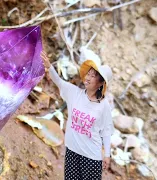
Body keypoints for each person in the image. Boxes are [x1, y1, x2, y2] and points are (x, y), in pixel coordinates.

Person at [41, 51, 114, 180]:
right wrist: (49, 66)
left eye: (93, 76)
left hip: (91, 158)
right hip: (72, 151)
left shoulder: (104, 106)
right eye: (88, 74)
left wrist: (107, 154)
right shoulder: (74, 93)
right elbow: (58, 81)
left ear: (101, 84)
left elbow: (106, 131)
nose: (88, 78)